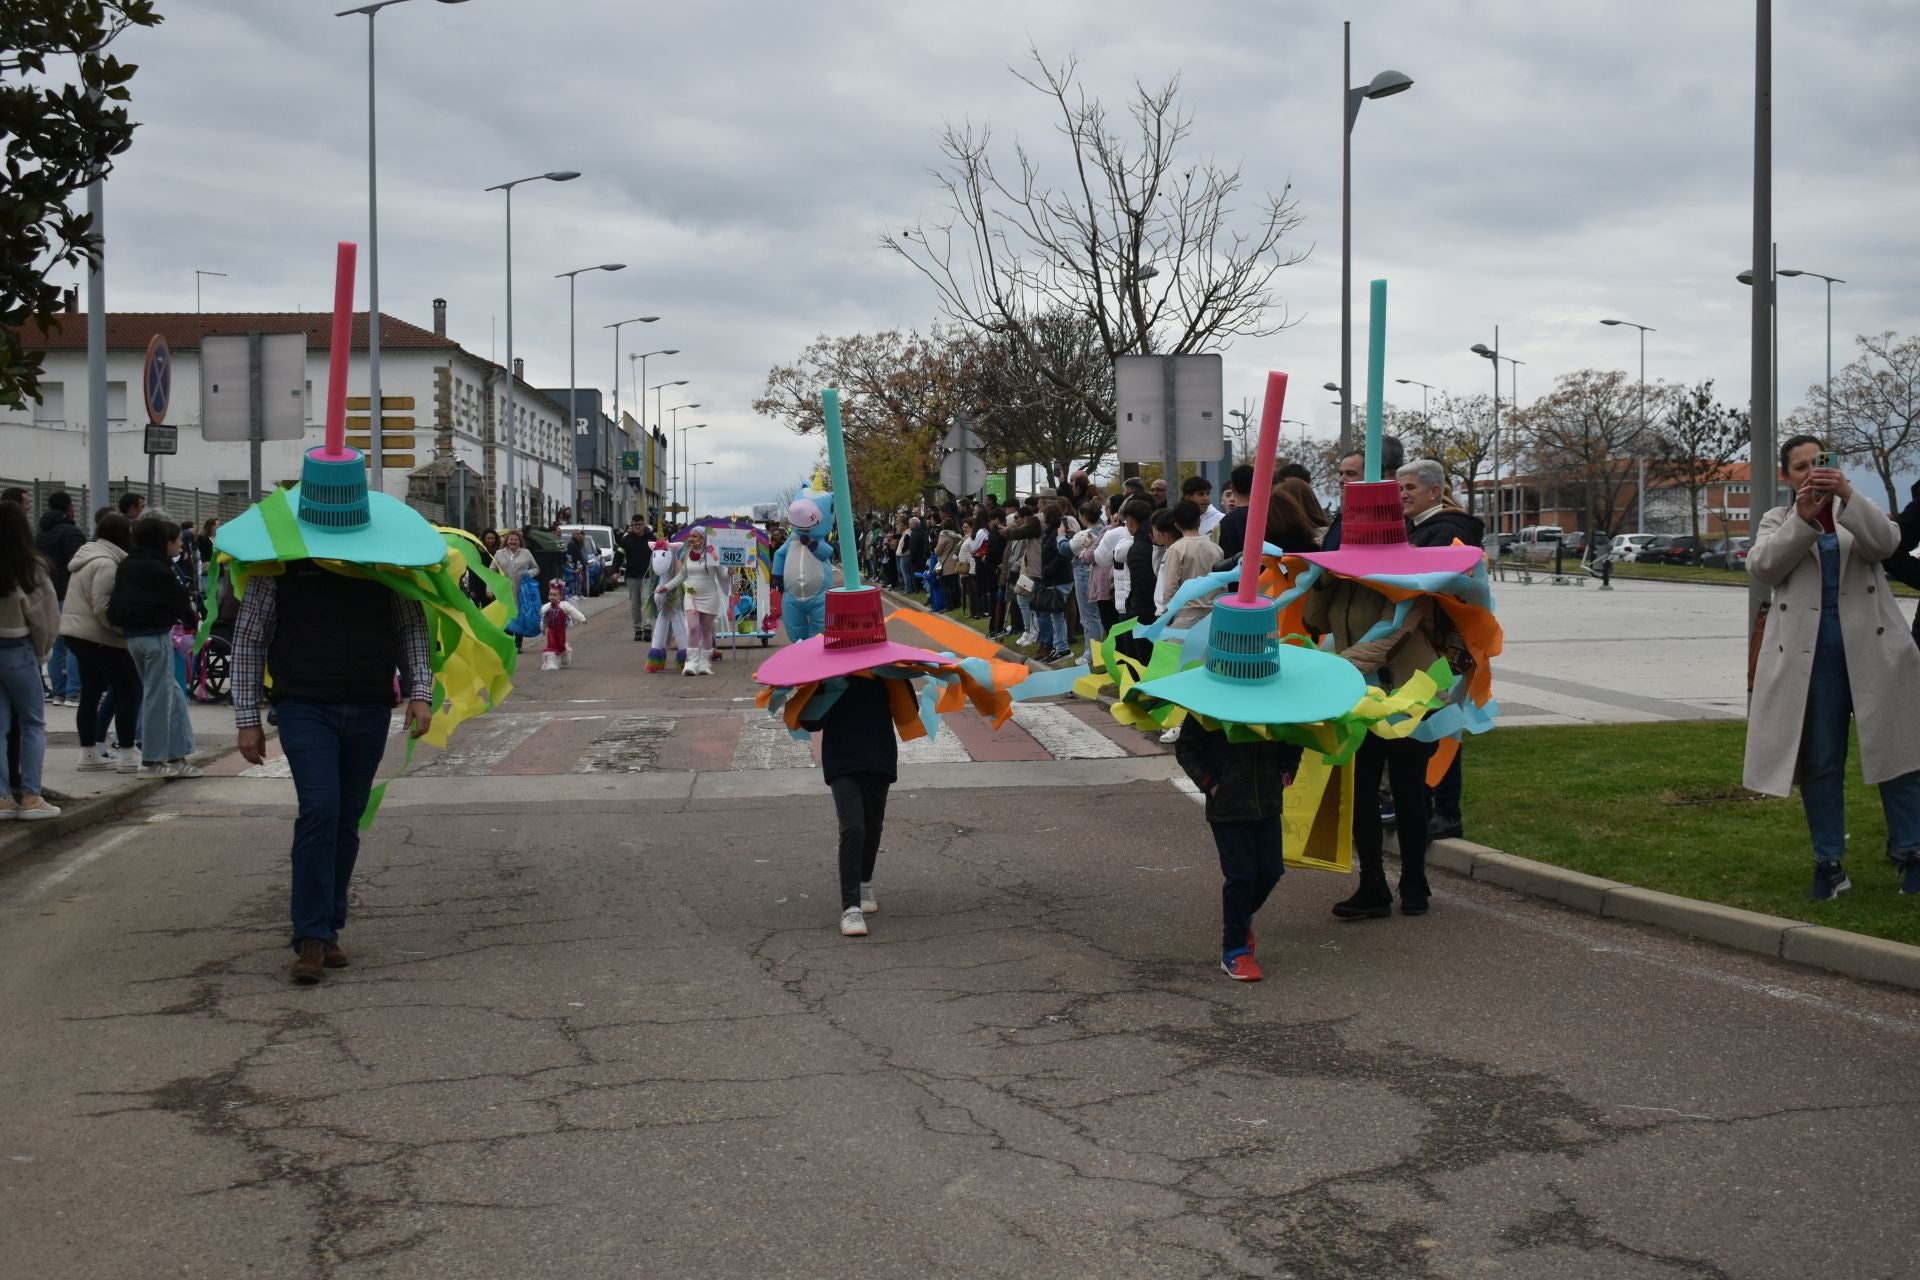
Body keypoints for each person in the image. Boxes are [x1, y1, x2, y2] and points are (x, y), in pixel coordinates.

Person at [1744, 435, 1920, 900]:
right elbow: (1763, 568)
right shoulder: (1777, 519)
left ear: (1834, 467)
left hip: (1874, 652)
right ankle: (1829, 863)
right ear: (1786, 477)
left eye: (1817, 464)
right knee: (1821, 761)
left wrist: (1846, 494)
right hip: (1811, 660)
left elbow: (1887, 545)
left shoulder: (1856, 510)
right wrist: (1803, 519)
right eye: (1799, 467)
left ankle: (1913, 852)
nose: (1809, 473)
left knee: (1898, 756)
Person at [1304, 483, 1443, 920]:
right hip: (1359, 698)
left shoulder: (1411, 582)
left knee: (1408, 791)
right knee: (1360, 793)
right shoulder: (1344, 579)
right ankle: (1373, 885)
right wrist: (1324, 579)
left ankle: (1415, 881)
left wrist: (1334, 669)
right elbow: (1312, 619)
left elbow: (1390, 635)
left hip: (1407, 697)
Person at [1399, 459, 1487, 841]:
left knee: (1442, 726)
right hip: (1431, 643)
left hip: (1446, 645)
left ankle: (1446, 812)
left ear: (1434, 491)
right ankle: (1427, 803)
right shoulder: (1420, 529)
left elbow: (1437, 589)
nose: (1403, 495)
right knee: (1424, 725)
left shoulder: (1447, 532)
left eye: (1410, 488)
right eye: (1400, 489)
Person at [1174, 712, 1298, 980]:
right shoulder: (1207, 704)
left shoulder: (1275, 702)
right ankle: (1235, 950)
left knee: (1271, 870)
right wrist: (1211, 784)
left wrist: (1287, 770)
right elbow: (1186, 748)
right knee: (1241, 876)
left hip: (1268, 804)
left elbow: (1293, 735)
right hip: (1228, 809)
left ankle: (1240, 917)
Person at [798, 672, 898, 937]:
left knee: (873, 825)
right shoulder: (828, 674)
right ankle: (850, 907)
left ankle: (864, 881)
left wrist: (895, 675)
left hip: (879, 755)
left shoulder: (888, 670)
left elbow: (907, 705)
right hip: (842, 759)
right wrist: (827, 685)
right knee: (853, 827)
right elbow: (810, 722)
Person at [107, 512, 201, 779]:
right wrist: (193, 621)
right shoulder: (159, 568)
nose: (179, 545)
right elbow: (178, 601)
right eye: (174, 541)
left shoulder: (128, 564)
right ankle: (153, 760)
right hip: (156, 635)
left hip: (132, 637)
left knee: (171, 694)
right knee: (159, 698)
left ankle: (177, 754)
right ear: (162, 541)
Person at [59, 513, 140, 774]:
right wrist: (122, 631)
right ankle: (127, 753)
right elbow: (103, 607)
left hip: (77, 634)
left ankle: (89, 752)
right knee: (129, 690)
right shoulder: (107, 564)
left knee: (91, 693)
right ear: (121, 535)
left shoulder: (87, 557)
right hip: (100, 637)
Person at [0, 500, 61, 820]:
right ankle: (31, 796)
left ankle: (2, 798)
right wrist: (42, 652)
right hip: (18, 649)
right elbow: (46, 618)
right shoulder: (30, 566)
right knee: (32, 723)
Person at [35, 492, 86, 708]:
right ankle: (74, 692)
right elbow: (78, 563)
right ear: (68, 506)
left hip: (49, 592)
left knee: (56, 646)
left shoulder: (40, 533)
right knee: (74, 644)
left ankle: (59, 692)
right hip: (68, 593)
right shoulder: (70, 532)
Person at [1322, 437, 1404, 551]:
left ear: (1370, 477)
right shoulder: (1341, 519)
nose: (1341, 479)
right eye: (1341, 473)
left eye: (1350, 474)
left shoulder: (1384, 520)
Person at [679, 527, 729, 675]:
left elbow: (723, 575)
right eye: (690, 536)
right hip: (691, 595)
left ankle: (704, 663)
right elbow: (682, 576)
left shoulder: (712, 555)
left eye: (695, 536)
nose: (691, 539)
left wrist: (730, 571)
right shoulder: (686, 554)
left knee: (706, 630)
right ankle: (691, 663)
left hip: (709, 596)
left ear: (703, 538)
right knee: (693, 627)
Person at [1033, 506, 1075, 661]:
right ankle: (1059, 647)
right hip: (1055, 578)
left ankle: (1062, 648)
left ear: (1049, 516)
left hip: (1059, 578)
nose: (1042, 516)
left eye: (1044, 513)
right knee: (1055, 614)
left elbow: (1062, 554)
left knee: (1057, 615)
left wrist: (1049, 570)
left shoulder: (1057, 532)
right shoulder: (1052, 531)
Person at [491, 529, 539, 652]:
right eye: (511, 539)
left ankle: (518, 643)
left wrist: (527, 573)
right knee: (507, 616)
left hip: (522, 590)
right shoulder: (499, 554)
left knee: (520, 615)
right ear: (506, 541)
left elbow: (536, 568)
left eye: (515, 540)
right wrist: (490, 588)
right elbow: (491, 571)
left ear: (519, 542)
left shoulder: (526, 553)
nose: (513, 542)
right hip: (505, 591)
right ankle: (508, 642)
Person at [614, 515, 655, 641]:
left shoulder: (651, 539)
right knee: (635, 604)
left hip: (648, 575)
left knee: (647, 601)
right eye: (635, 525)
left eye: (639, 524)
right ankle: (638, 629)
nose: (637, 527)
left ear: (643, 525)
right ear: (632, 526)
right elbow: (619, 556)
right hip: (632, 576)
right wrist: (615, 571)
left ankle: (648, 628)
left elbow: (659, 554)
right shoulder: (626, 540)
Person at [538, 579, 587, 671]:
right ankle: (551, 662)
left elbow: (573, 611)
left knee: (560, 645)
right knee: (551, 645)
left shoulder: (564, 605)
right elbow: (544, 619)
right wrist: (542, 628)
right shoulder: (547, 607)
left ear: (560, 596)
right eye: (550, 595)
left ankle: (565, 654)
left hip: (560, 631)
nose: (552, 597)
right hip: (551, 631)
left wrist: (582, 618)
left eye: (554, 595)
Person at [1215, 465, 1257, 560]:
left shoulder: (1229, 521)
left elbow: (1227, 558)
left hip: (1239, 573)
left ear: (1233, 487)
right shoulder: (1268, 516)